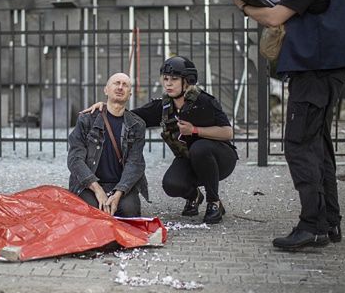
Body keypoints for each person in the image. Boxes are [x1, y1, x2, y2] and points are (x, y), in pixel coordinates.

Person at [229, 0, 345, 250]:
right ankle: (329, 223)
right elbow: (298, 12)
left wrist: (243, 6)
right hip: (329, 76)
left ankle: (311, 226)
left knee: (299, 146)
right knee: (319, 148)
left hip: (313, 77)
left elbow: (275, 18)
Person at [84, 56, 238, 224]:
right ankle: (194, 196)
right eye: (165, 79)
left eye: (174, 79)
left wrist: (194, 130)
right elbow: (131, 116)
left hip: (220, 159)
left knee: (200, 148)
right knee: (171, 184)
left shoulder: (204, 102)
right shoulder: (164, 107)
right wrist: (107, 106)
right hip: (189, 159)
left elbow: (227, 132)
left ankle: (214, 202)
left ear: (187, 81)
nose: (168, 84)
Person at [67, 72, 148, 217]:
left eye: (125, 85)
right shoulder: (87, 120)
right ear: (106, 90)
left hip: (120, 185)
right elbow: (75, 160)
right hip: (89, 185)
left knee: (129, 212)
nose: (120, 87)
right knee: (92, 212)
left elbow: (135, 163)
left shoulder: (137, 125)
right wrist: (97, 190)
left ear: (130, 94)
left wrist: (118, 193)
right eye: (116, 83)